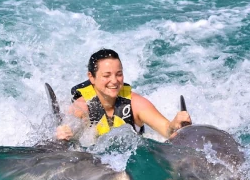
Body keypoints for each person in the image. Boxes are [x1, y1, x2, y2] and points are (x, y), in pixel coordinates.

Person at [56, 49, 191, 141]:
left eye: (119, 74)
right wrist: (65, 133)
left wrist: (175, 125)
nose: (114, 81)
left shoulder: (136, 103)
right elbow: (70, 135)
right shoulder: (81, 107)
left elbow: (167, 131)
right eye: (106, 75)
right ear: (91, 77)